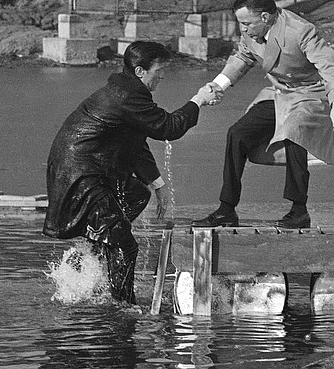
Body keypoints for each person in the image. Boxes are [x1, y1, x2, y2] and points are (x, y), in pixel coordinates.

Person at [43, 41, 220, 304]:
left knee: (136, 194)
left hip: (87, 169)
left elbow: (135, 142)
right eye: (158, 70)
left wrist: (157, 185)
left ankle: (92, 254)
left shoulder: (125, 91)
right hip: (80, 172)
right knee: (124, 245)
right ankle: (123, 305)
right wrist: (198, 101)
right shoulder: (128, 96)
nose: (162, 75)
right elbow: (168, 127)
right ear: (139, 71)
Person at [192, 0, 334, 230]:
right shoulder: (252, 33)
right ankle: (226, 209)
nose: (243, 29)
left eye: (246, 23)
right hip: (279, 93)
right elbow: (241, 58)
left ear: (265, 17)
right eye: (240, 23)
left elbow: (329, 64)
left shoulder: (300, 30)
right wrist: (218, 86)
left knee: (295, 133)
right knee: (237, 133)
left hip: (310, 93)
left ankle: (299, 210)